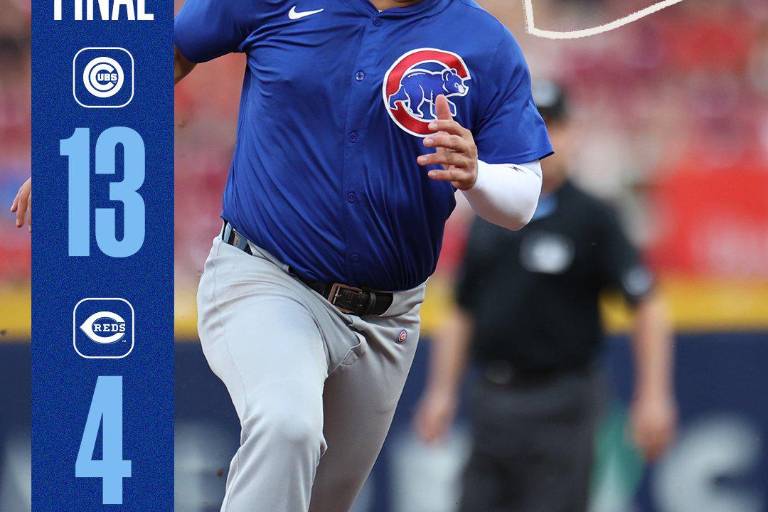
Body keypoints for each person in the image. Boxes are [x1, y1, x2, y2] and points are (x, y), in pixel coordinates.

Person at [7, 2, 554, 511]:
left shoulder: (483, 43)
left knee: (318, 500)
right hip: (267, 276)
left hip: (387, 319)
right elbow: (170, 49)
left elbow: (522, 199)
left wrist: (477, 175)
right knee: (287, 425)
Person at [413, 81, 676, 512]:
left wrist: (653, 396)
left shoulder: (592, 217)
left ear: (572, 132)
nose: (543, 138)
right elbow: (463, 309)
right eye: (534, 124)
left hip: (563, 403)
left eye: (553, 125)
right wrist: (440, 392)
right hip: (493, 399)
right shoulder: (490, 214)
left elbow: (646, 303)